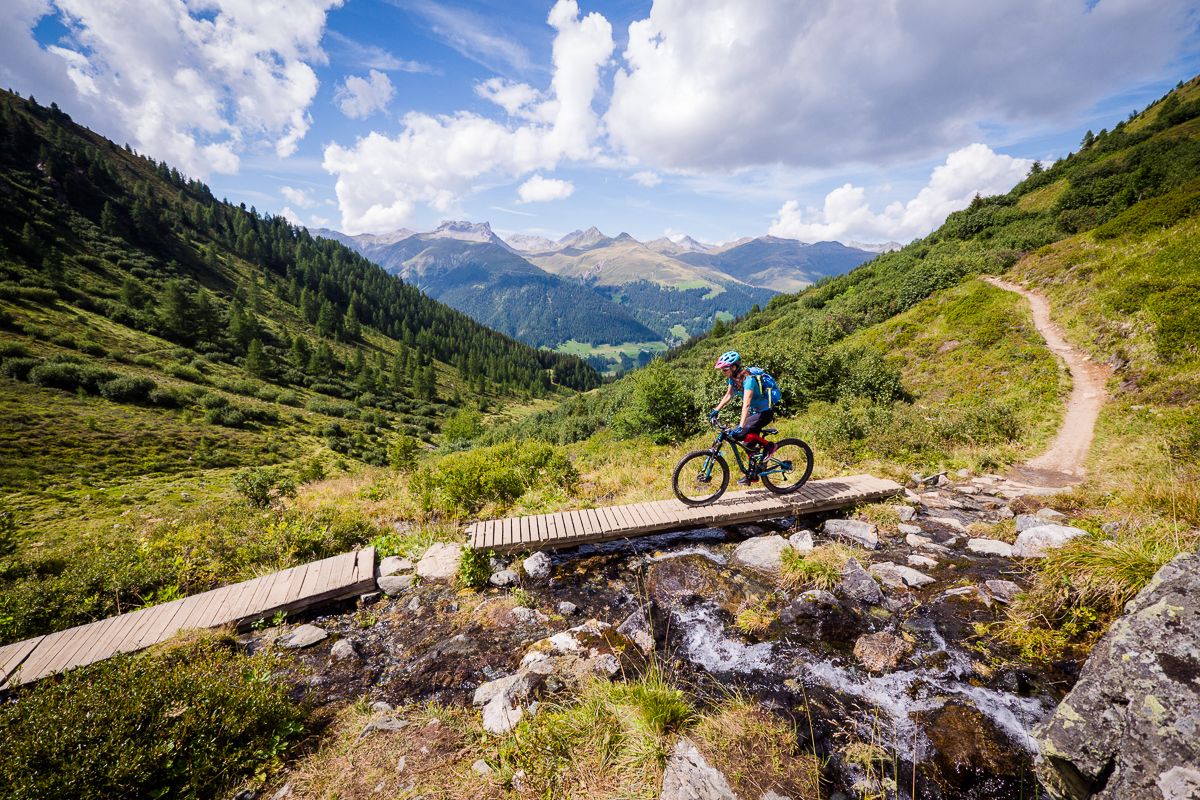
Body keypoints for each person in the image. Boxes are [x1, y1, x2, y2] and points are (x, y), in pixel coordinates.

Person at [708, 350, 779, 484]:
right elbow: (729, 395)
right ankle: (753, 474)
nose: (723, 372)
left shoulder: (748, 379)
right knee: (748, 444)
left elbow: (746, 404)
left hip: (765, 412)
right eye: (722, 370)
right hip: (755, 412)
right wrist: (716, 409)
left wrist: (741, 426)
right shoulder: (733, 378)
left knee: (740, 434)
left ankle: (770, 446)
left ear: (734, 367)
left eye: (725, 369)